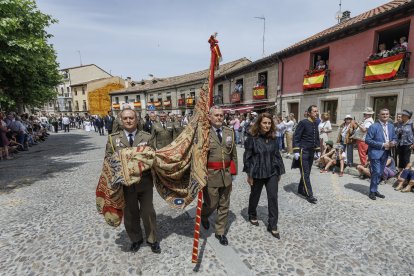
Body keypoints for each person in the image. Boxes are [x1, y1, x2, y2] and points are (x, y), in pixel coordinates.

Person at [104, 108, 160, 253]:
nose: (128, 121)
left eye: (131, 118)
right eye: (125, 118)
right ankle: (136, 239)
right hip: (125, 185)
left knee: (148, 212)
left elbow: (154, 157)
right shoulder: (113, 138)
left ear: (137, 119)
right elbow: (108, 159)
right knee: (130, 213)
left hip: (144, 182)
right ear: (121, 120)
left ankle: (152, 239)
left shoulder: (146, 137)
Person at [243, 113, 285, 239]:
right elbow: (247, 156)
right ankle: (252, 213)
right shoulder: (252, 137)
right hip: (257, 171)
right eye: (264, 123)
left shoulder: (273, 137)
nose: (267, 125)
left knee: (273, 197)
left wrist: (279, 171)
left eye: (269, 123)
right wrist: (249, 174)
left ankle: (272, 225)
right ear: (259, 123)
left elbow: (277, 155)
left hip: (271, 171)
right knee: (255, 194)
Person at [201, 106, 237, 246]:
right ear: (209, 117)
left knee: (224, 204)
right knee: (212, 203)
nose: (219, 118)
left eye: (221, 115)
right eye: (216, 115)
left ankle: (220, 231)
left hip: (226, 174)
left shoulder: (229, 131)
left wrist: (234, 172)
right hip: (210, 175)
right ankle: (204, 215)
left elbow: (233, 154)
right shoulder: (204, 133)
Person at [365, 108, 397, 200]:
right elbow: (367, 140)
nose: (385, 116)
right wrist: (383, 144)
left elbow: (394, 138)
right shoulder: (374, 126)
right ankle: (372, 191)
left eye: (387, 114)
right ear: (379, 115)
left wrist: (393, 142)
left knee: (380, 173)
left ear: (389, 115)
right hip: (375, 153)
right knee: (376, 172)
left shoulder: (391, 126)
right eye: (383, 114)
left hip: (386, 153)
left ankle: (375, 190)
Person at [292, 105, 320, 204]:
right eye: (314, 111)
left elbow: (316, 137)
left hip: (311, 151)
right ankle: (310, 195)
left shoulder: (316, 123)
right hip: (303, 151)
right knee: (305, 173)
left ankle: (300, 189)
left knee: (306, 173)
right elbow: (296, 137)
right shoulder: (303, 122)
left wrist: (318, 150)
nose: (316, 113)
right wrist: (296, 151)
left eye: (317, 111)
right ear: (309, 113)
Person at [395, 110, 414, 174]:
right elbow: (396, 133)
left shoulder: (412, 124)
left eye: (403, 115)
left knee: (406, 160)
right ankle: (400, 174)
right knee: (400, 160)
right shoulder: (400, 124)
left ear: (407, 116)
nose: (401, 116)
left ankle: (407, 175)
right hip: (400, 144)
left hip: (408, 144)